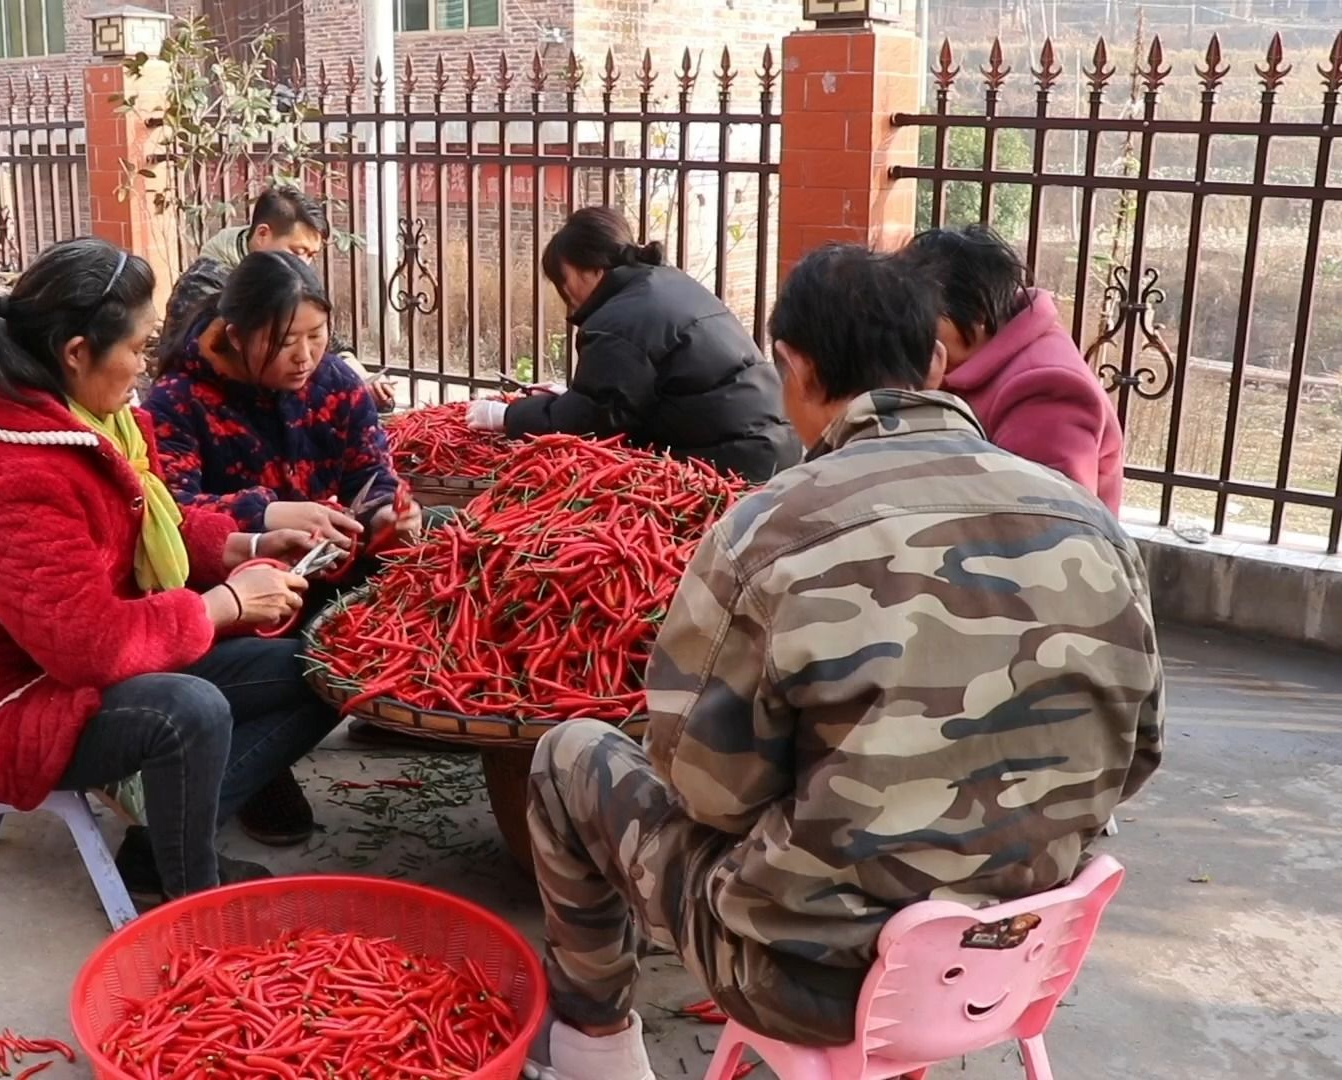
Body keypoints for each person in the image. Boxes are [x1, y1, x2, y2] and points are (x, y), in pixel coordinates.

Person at [520, 244, 1164, 1080]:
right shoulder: (1090, 523)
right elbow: (1138, 753)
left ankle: (594, 1054)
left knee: (568, 757)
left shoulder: (768, 530)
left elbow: (705, 789)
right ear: (935, 360)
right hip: (1017, 954)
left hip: (809, 983)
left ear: (794, 366)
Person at [0, 238, 340, 900]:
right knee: (187, 709)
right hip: (15, 701)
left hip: (80, 666)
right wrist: (223, 604)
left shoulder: (95, 422)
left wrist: (250, 546)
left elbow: (152, 526)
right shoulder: (11, 472)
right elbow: (89, 646)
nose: (145, 366)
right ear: (77, 352)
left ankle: (156, 847)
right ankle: (191, 903)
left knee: (319, 666)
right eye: (137, 349)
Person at [466, 206, 800, 482]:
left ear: (591, 268)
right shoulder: (664, 283)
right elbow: (624, 397)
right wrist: (567, 397)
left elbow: (591, 422)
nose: (565, 294)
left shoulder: (619, 319)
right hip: (770, 446)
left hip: (730, 467)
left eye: (563, 279)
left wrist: (508, 416)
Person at [147, 249, 421, 550]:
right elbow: (168, 511)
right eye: (285, 342)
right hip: (247, 583)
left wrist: (385, 515)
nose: (304, 357)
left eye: (316, 336)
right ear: (237, 338)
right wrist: (265, 514)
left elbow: (369, 474)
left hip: (335, 565)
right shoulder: (177, 402)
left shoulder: (335, 382)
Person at [898, 223, 1125, 513]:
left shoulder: (1046, 391)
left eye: (922, 315)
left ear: (978, 311)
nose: (909, 329)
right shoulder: (964, 360)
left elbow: (1046, 528)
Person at [160, 185, 398, 411]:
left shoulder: (292, 277)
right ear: (263, 234)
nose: (303, 263)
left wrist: (362, 378)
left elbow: (328, 343)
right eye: (297, 251)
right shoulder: (206, 286)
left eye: (311, 255)